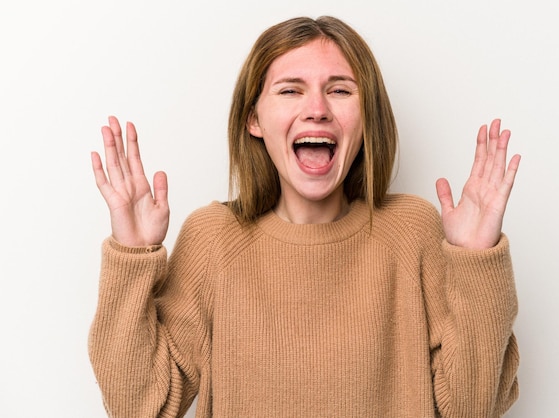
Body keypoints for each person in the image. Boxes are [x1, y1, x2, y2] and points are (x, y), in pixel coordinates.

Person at [89, 15, 521, 418]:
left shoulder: (411, 231)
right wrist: (132, 255)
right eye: (290, 90)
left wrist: (476, 259)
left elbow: (471, 407)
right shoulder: (214, 239)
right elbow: (137, 406)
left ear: (366, 118)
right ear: (254, 119)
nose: (317, 108)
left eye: (340, 90)